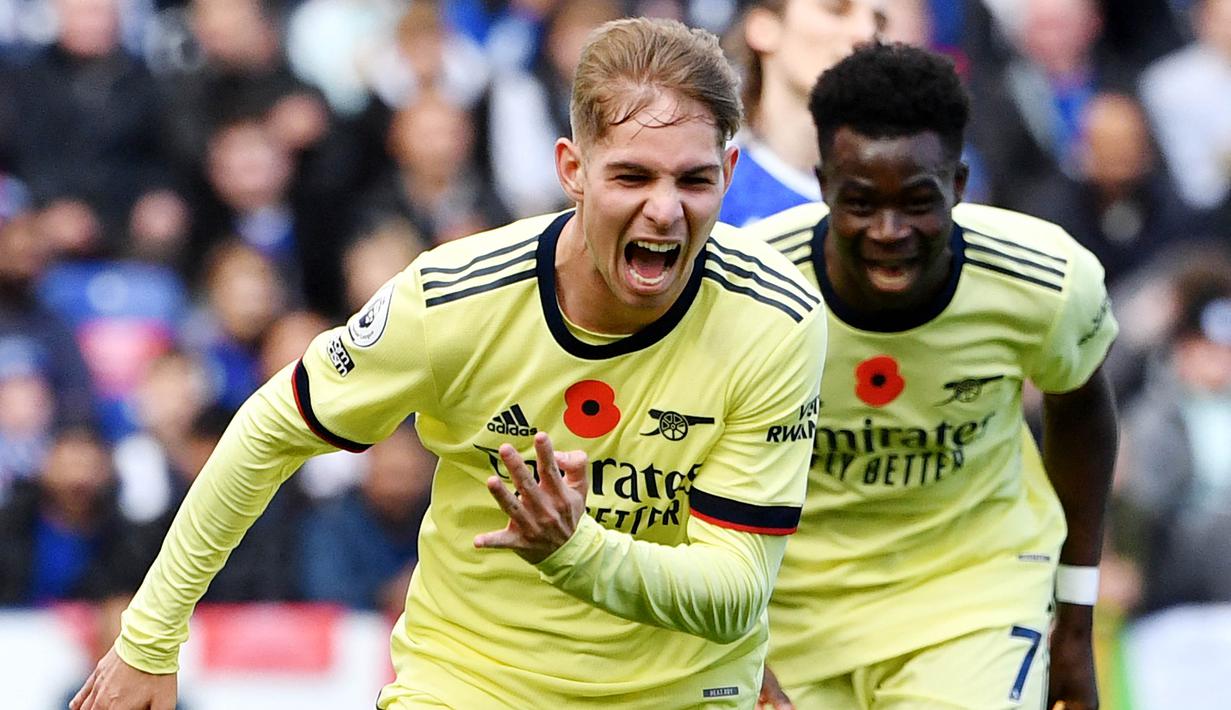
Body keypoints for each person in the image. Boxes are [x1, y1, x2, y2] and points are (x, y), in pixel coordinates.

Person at [71, 17, 827, 709]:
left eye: (693, 179)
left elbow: (735, 591)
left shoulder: (777, 317)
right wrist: (149, 638)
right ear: (571, 167)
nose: (665, 210)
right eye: (632, 176)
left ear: (729, 170)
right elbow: (271, 428)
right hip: (472, 684)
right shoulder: (453, 298)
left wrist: (575, 549)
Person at [746, 43, 1118, 710]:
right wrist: (735, 646)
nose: (889, 231)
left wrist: (1075, 622)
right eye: (859, 203)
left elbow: (1081, 409)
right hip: (791, 614)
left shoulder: (1046, 281)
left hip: (971, 597)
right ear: (822, 183)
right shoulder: (749, 287)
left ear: (959, 186)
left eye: (917, 201)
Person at [719, 0, 884, 227]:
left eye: (879, 21)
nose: (866, 34)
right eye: (836, 10)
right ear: (763, 28)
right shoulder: (706, 178)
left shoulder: (898, 194)